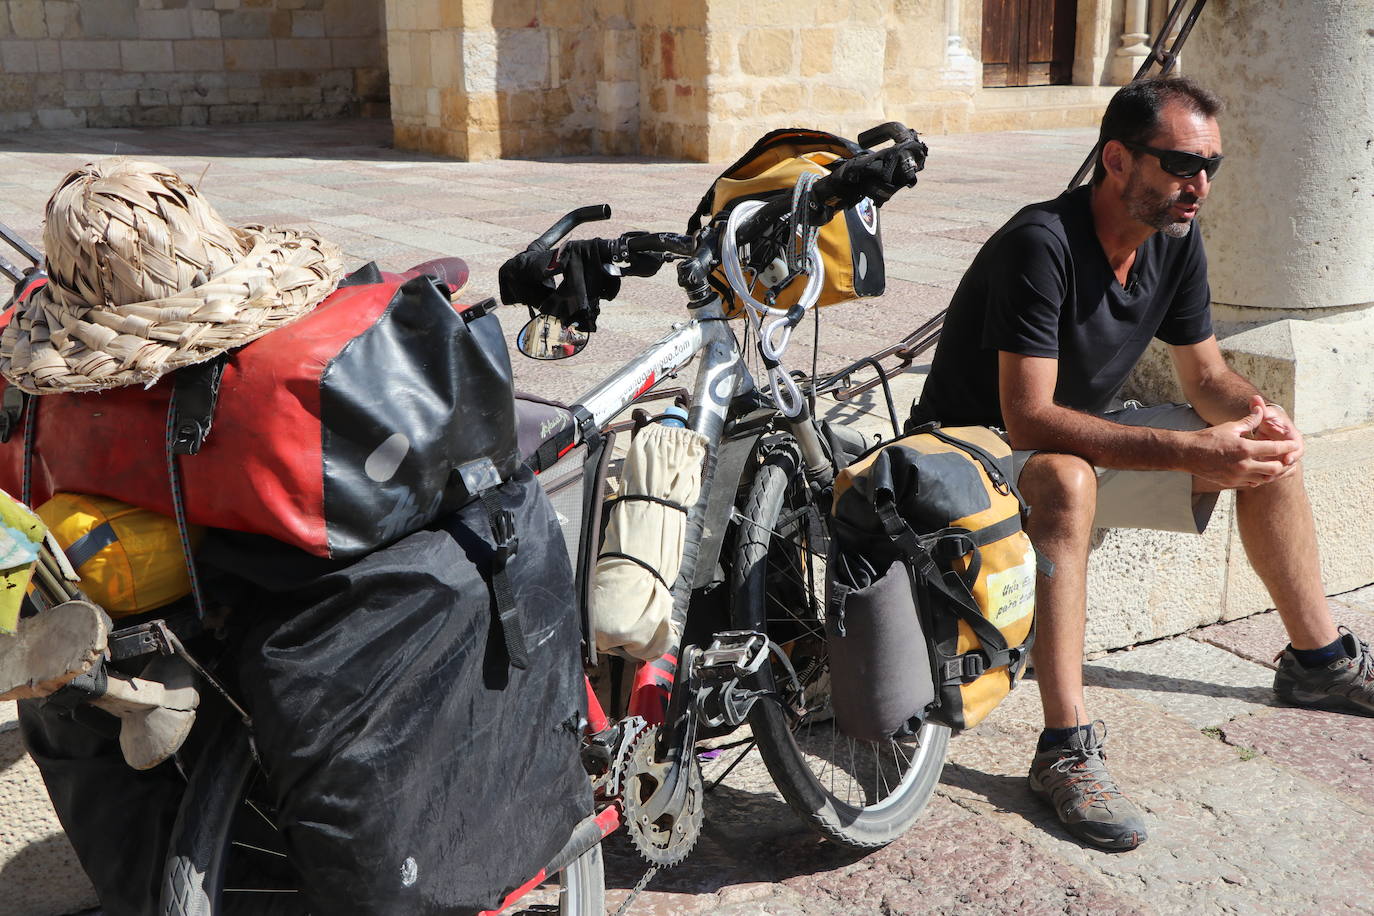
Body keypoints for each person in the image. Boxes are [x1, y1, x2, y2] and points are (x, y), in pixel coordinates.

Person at [912, 77, 1374, 852]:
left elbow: (1205, 378)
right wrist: (1192, 449)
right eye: (1181, 164)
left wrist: (1257, 417)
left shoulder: (1173, 240)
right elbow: (1026, 417)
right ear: (1118, 160)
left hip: (1072, 437)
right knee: (1064, 476)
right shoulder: (1042, 243)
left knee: (1263, 454)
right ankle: (1065, 749)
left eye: (1211, 168)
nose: (1199, 186)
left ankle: (1318, 662)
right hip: (968, 454)